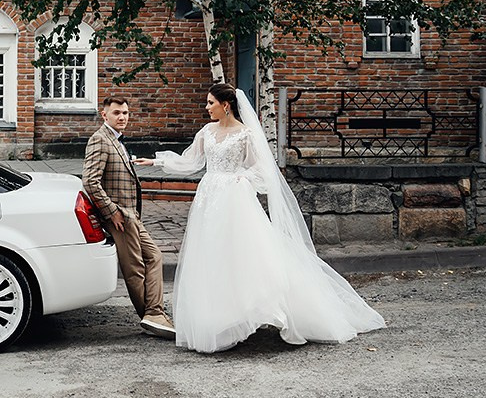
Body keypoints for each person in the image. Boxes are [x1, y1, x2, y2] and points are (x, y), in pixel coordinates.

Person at [135, 83, 385, 353]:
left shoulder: (245, 135)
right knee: (213, 257)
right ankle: (221, 320)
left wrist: (245, 178)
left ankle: (257, 310)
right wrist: (156, 162)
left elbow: (263, 170)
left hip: (235, 199)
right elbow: (190, 161)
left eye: (210, 103)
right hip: (209, 199)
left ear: (225, 105)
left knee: (243, 255)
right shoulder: (206, 132)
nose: (206, 108)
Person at [82, 96, 175, 338]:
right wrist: (111, 212)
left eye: (125, 113)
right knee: (134, 268)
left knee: (154, 256)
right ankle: (152, 315)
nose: (122, 117)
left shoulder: (117, 140)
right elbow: (90, 181)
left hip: (132, 215)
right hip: (120, 216)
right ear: (105, 115)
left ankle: (154, 312)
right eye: (116, 113)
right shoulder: (99, 140)